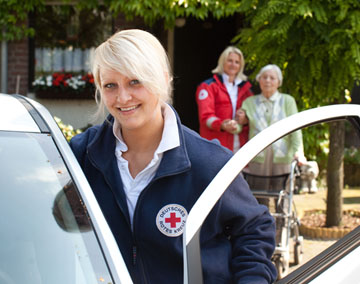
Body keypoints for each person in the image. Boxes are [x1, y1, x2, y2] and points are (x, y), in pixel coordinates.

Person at [70, 29, 277, 283]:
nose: (123, 97)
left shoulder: (209, 162)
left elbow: (254, 230)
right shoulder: (81, 156)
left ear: (164, 79)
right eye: (110, 85)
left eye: (135, 81)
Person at [195, 46, 253, 153]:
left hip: (240, 146)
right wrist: (222, 125)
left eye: (237, 62)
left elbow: (254, 115)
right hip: (216, 145)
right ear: (222, 62)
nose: (233, 64)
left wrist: (246, 119)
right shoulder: (208, 86)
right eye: (229, 60)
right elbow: (205, 117)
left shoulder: (246, 89)